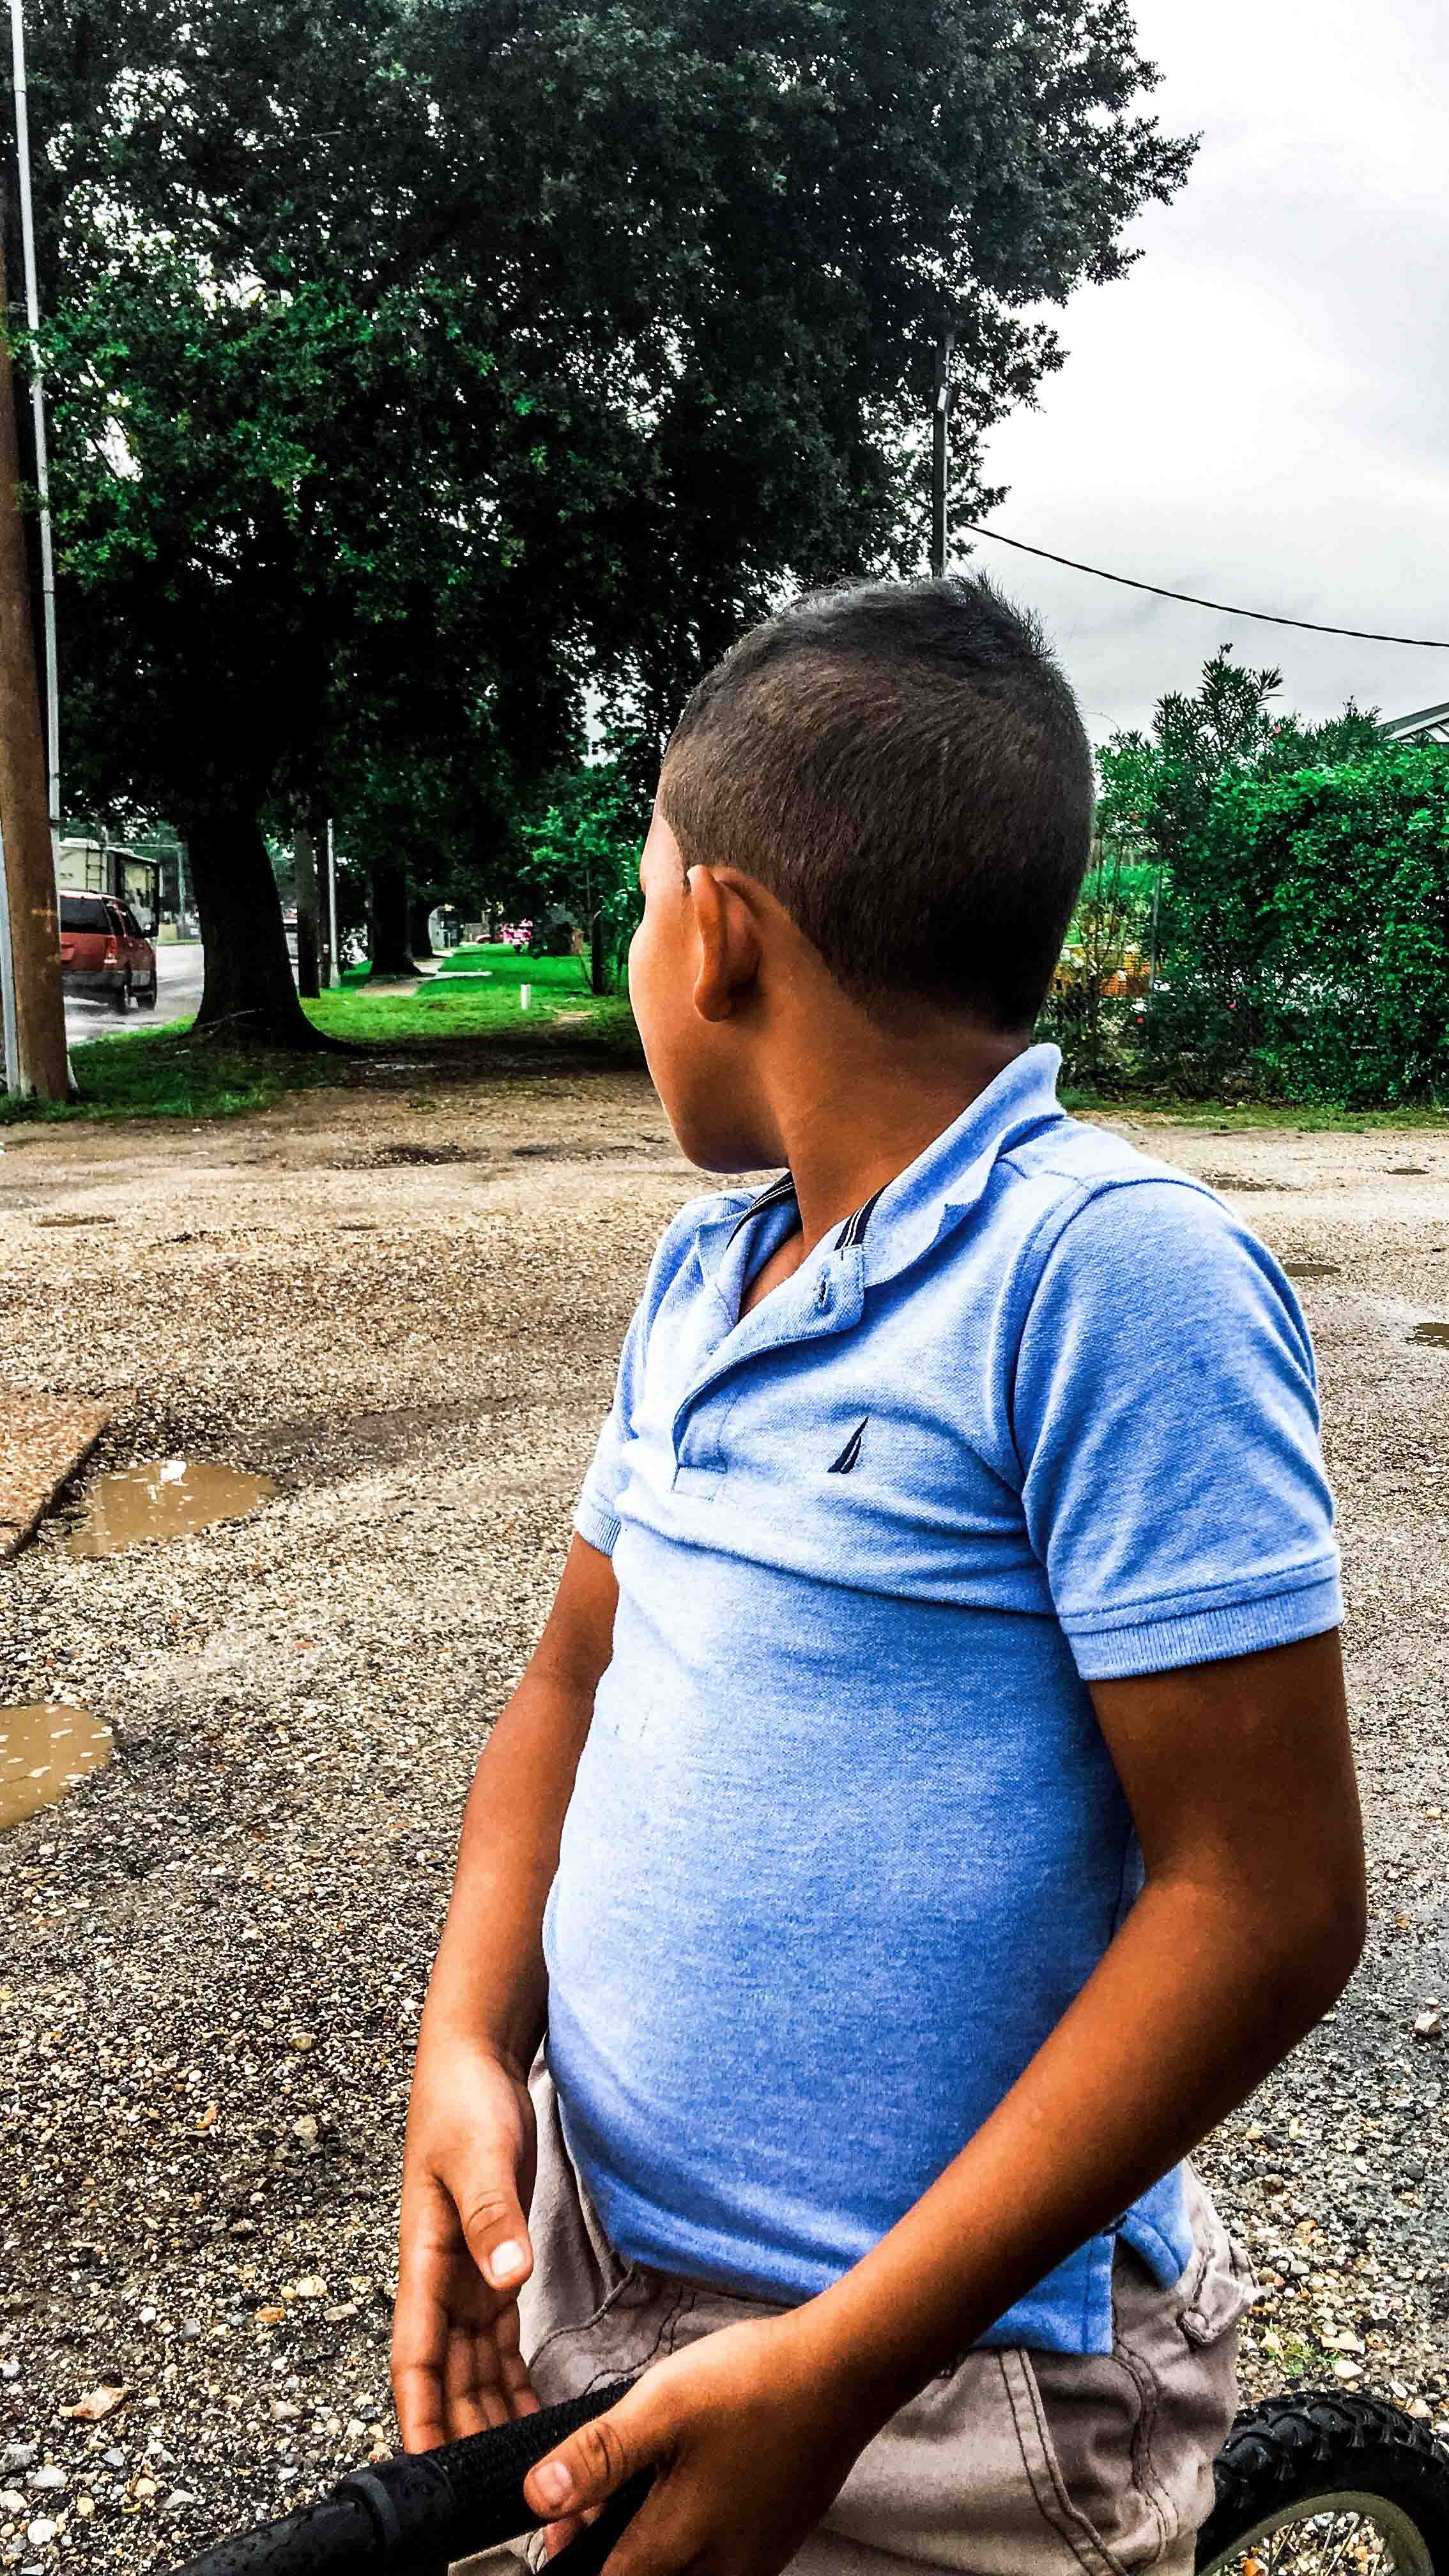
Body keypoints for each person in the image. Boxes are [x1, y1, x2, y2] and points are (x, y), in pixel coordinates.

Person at [392, 576, 1364, 2576]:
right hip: (600, 2273)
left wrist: (841, 2363)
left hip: (942, 2387)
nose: (641, 943)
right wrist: (464, 2050)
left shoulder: (1107, 1274)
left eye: (647, 891)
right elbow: (569, 1686)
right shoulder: (698, 1277)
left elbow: (1264, 1901)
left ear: (722, 934)